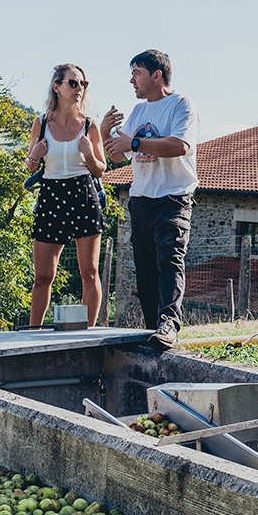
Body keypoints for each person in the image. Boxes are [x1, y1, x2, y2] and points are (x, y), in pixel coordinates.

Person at [102, 50, 196, 349]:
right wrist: (105, 133)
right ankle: (153, 330)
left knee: (169, 260)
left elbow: (180, 145)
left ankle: (169, 324)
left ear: (157, 75)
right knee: (145, 268)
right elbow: (118, 155)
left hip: (172, 197)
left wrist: (135, 141)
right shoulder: (138, 111)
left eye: (137, 73)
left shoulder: (180, 105)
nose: (132, 80)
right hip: (140, 198)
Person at [24, 64, 106, 327]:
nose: (79, 88)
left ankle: (88, 333)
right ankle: (33, 333)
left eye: (83, 84)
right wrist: (34, 157)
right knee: (43, 276)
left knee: (90, 273)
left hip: (83, 193)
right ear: (56, 87)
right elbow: (30, 165)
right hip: (51, 195)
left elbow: (100, 169)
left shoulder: (90, 125)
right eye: (73, 83)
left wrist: (89, 153)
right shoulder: (42, 123)